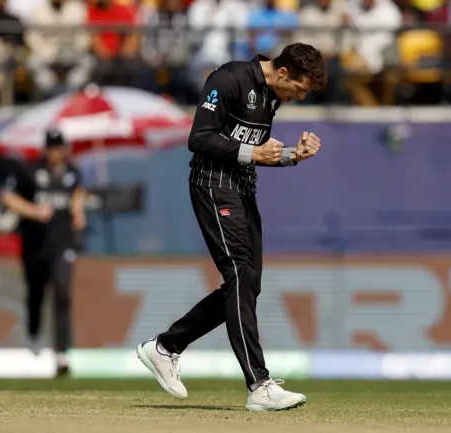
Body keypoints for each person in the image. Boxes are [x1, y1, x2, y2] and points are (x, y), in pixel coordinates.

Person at [136, 43, 326, 411]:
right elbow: (200, 138)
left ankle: (165, 347)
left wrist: (291, 155)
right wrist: (253, 153)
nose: (298, 98)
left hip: (242, 188)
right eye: (299, 90)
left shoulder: (272, 96)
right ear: (283, 73)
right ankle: (259, 384)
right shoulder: (229, 79)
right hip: (211, 185)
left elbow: (253, 148)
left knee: (246, 283)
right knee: (240, 274)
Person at [0, 129, 86, 376]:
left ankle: (62, 353)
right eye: (52, 147)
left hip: (63, 244)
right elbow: (7, 198)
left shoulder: (72, 172)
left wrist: (78, 213)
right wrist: (34, 211)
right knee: (36, 292)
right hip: (36, 245)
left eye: (60, 147)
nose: (56, 152)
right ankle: (34, 333)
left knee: (63, 292)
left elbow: (77, 195)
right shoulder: (30, 171)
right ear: (46, 148)